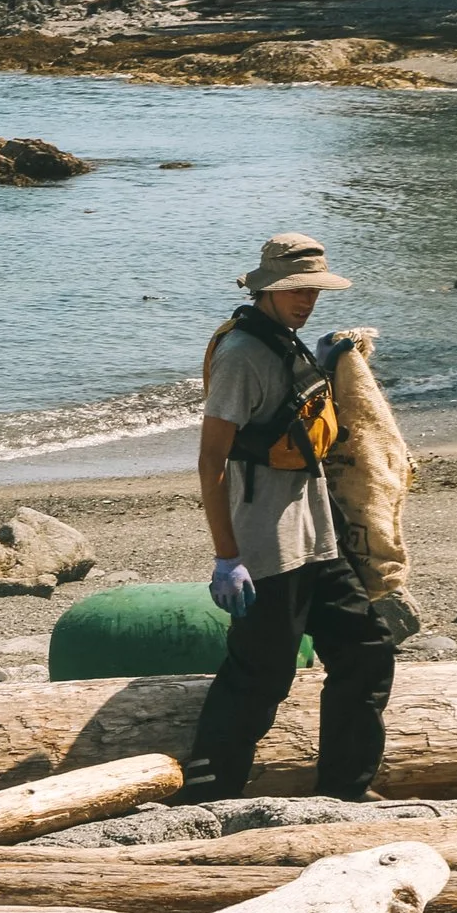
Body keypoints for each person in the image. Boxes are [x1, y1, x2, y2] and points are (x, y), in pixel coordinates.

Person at [181, 232, 397, 801]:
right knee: (261, 677)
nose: (307, 300)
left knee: (367, 651)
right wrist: (227, 556)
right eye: (297, 289)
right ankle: (207, 797)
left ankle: (345, 789)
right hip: (268, 545)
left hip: (318, 537)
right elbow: (211, 459)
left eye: (314, 290)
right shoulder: (240, 355)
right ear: (267, 289)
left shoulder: (286, 341)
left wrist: (332, 358)